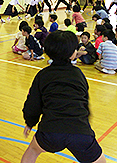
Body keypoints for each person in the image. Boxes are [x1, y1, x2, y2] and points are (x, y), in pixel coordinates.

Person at [21, 30, 106, 163]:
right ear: (73, 54)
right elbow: (84, 102)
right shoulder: (78, 75)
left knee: (32, 152)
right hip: (80, 132)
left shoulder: (43, 75)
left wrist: (30, 122)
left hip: (50, 131)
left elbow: (33, 104)